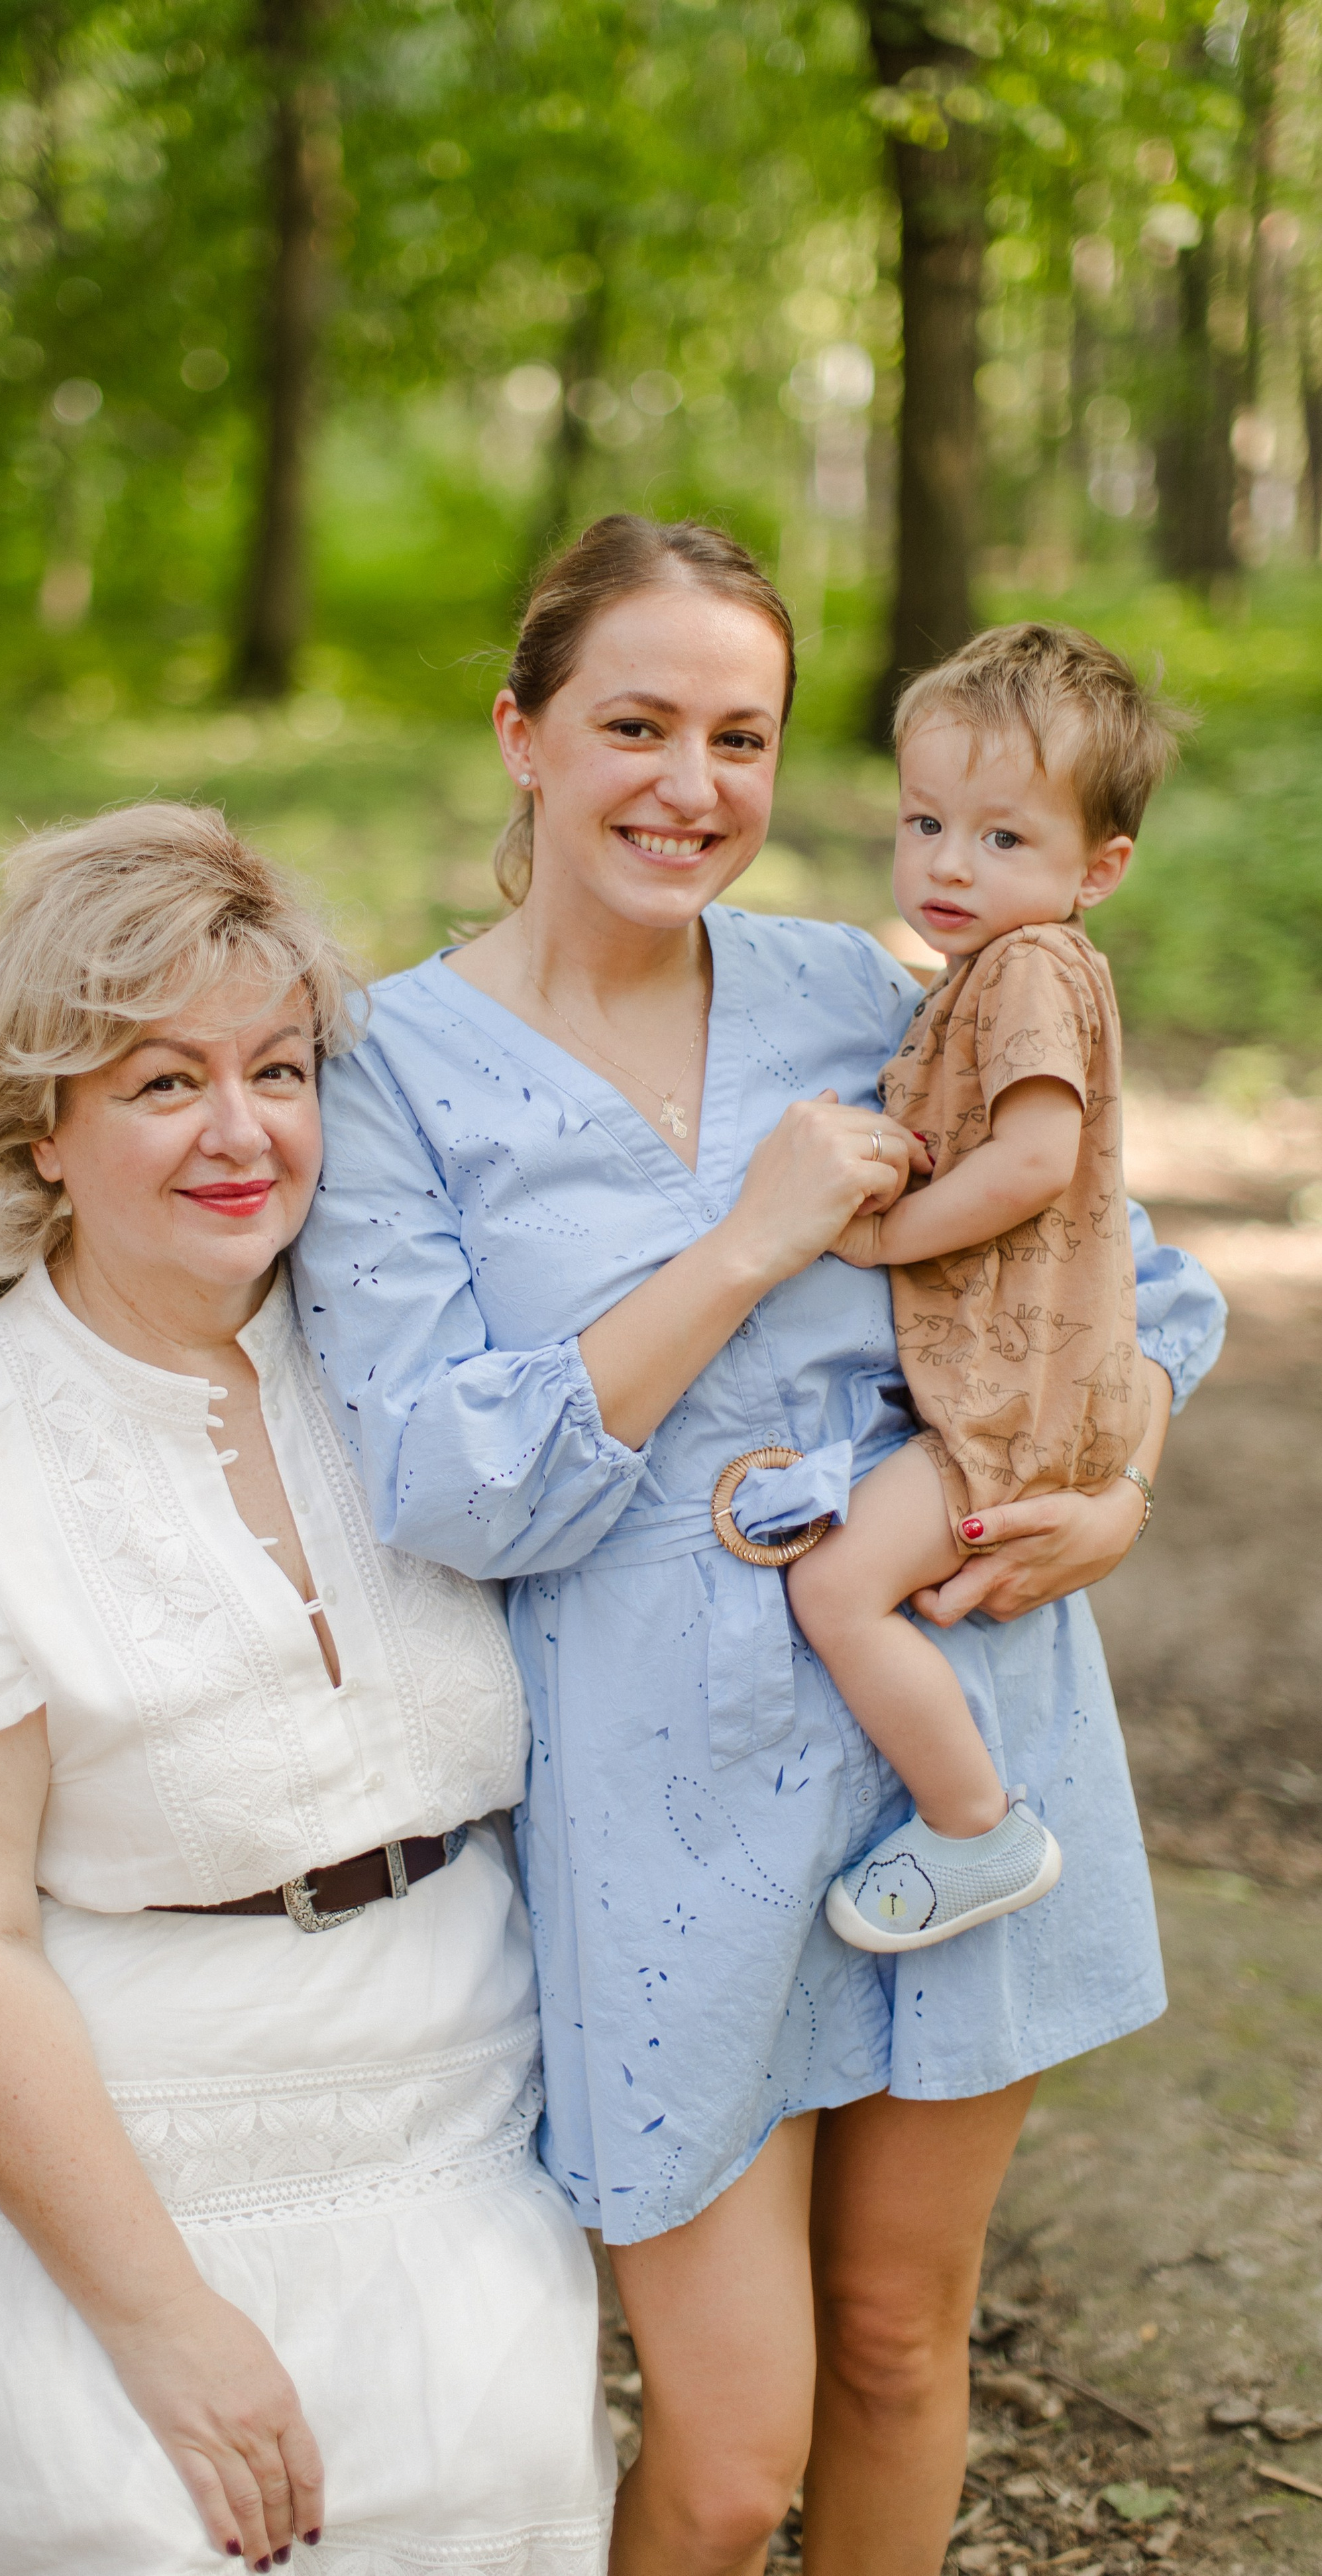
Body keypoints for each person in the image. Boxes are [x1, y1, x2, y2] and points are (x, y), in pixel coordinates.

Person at [288, 515, 1225, 2576]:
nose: (692, 787)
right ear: (524, 734)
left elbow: (1133, 1279)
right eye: (636, 723)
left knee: (900, 2347)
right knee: (723, 2463)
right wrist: (745, 1247)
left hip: (953, 1746)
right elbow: (453, 1484)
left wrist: (1120, 1485)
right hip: (658, 1790)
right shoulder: (396, 1074)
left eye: (740, 735)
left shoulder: (868, 992)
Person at [0, 806, 614, 2576]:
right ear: (39, 1130)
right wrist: (167, 2333)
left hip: (445, 2123)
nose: (242, 1132)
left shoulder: (421, 1378)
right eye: (162, 1085)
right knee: (127, 2525)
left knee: (497, 2502)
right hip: (97, 2179)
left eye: (278, 1070)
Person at [785, 623, 1182, 1954]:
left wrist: (880, 1238)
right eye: (924, 822)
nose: (947, 864)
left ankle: (973, 1826)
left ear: (1099, 868)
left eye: (1002, 838)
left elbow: (1032, 1158)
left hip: (1011, 1398)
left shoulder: (1019, 968)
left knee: (833, 1592)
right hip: (1021, 1389)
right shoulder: (1003, 969)